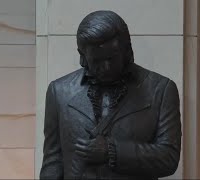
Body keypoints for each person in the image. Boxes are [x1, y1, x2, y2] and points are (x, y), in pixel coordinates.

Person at [40, 10, 182, 179]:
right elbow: (53, 163)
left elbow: (169, 157)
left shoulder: (161, 89)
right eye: (97, 61)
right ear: (82, 56)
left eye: (112, 58)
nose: (106, 67)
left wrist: (113, 151)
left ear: (127, 50)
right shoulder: (59, 92)